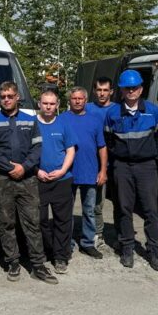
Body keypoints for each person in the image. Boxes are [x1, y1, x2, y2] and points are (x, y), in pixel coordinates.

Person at [0, 81, 57, 284]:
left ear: (17, 97)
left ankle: (38, 265)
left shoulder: (30, 121)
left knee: (33, 222)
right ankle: (13, 262)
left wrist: (24, 167)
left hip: (27, 178)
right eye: (3, 97)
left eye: (10, 96)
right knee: (6, 222)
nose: (6, 100)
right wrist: (10, 168)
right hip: (2, 178)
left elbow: (37, 148)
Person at [104, 69, 158, 271]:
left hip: (146, 166)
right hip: (122, 167)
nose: (131, 91)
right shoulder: (112, 113)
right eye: (127, 88)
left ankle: (153, 251)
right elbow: (108, 140)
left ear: (141, 89)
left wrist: (148, 154)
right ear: (121, 91)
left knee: (150, 210)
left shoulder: (153, 111)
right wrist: (120, 155)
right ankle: (127, 249)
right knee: (124, 208)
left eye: (134, 87)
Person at [61, 86, 108, 258]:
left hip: (90, 171)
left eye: (80, 98)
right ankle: (66, 242)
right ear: (70, 100)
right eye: (74, 98)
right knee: (66, 211)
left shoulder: (95, 120)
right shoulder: (62, 119)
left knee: (89, 210)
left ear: (85, 100)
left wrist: (103, 170)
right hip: (68, 172)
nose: (77, 101)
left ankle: (87, 243)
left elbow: (102, 147)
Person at [35, 89, 77, 274]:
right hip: (38, 180)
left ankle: (60, 257)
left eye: (52, 104)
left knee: (62, 220)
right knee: (40, 219)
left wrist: (62, 171)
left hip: (62, 180)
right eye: (45, 103)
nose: (48, 107)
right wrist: (36, 171)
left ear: (57, 105)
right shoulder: (32, 124)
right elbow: (26, 152)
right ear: (39, 104)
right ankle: (46, 250)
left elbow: (70, 150)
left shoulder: (64, 124)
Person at [92, 77, 120, 248]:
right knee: (97, 203)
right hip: (95, 163)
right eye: (99, 90)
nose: (102, 93)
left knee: (120, 202)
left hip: (117, 163)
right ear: (94, 91)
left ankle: (121, 236)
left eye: (105, 90)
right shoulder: (87, 108)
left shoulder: (118, 109)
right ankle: (98, 233)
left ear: (111, 92)